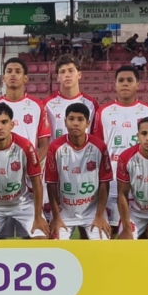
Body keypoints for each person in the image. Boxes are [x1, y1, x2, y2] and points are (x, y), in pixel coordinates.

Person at [92, 66, 148, 236]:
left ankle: (142, 263)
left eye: (130, 80)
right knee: (111, 229)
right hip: (112, 180)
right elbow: (97, 148)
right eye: (121, 80)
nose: (125, 84)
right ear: (115, 85)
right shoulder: (104, 112)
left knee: (144, 229)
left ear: (138, 85)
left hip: (142, 179)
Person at [0, 103, 48, 240]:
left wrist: (38, 216)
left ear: (12, 124)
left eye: (4, 122)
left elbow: (36, 183)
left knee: (41, 238)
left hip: (22, 204)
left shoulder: (25, 146)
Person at [45, 102, 113, 240]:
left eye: (80, 119)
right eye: (71, 119)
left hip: (92, 211)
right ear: (65, 122)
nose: (75, 123)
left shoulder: (99, 146)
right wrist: (56, 217)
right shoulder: (55, 147)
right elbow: (51, 184)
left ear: (87, 123)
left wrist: (99, 216)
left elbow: (104, 183)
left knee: (102, 246)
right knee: (56, 247)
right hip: (65, 211)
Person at [0, 57, 51, 155]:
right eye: (9, 71)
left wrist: (32, 166)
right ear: (3, 78)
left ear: (25, 78)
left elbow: (44, 145)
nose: (13, 74)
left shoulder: (38, 105)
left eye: (17, 71)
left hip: (28, 165)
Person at [44, 54, 99, 139]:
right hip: (56, 152)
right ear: (58, 77)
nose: (67, 75)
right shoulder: (46, 104)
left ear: (79, 74)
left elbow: (94, 137)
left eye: (71, 71)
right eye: (62, 72)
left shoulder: (92, 104)